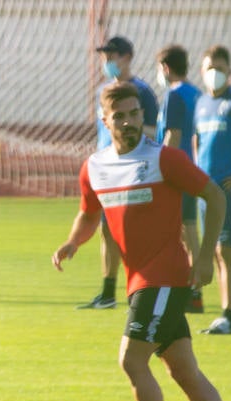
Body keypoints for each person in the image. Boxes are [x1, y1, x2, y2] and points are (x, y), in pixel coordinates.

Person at [52, 80, 231, 401]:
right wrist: (72, 242)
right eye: (119, 116)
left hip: (166, 276)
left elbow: (216, 196)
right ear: (105, 121)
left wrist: (205, 256)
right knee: (185, 372)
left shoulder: (165, 159)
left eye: (135, 114)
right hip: (141, 282)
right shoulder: (95, 167)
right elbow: (88, 213)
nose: (129, 122)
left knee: (131, 360)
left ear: (143, 116)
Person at [79, 36, 159, 310]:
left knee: (134, 232)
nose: (106, 61)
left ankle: (144, 288)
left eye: (111, 56)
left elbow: (154, 132)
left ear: (126, 57)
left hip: (134, 169)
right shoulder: (104, 90)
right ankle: (108, 292)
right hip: (107, 170)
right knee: (107, 230)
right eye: (104, 56)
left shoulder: (141, 92)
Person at [193, 45, 231, 334]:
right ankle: (225, 312)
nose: (215, 74)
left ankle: (229, 315)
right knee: (214, 250)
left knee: (226, 249)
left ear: (229, 72)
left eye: (220, 69)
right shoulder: (200, 104)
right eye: (210, 68)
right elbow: (198, 141)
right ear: (202, 70)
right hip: (205, 189)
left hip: (227, 190)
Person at [156, 44, 205, 313]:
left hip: (178, 172)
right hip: (196, 168)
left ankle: (191, 292)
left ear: (165, 68)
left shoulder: (173, 96)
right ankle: (192, 291)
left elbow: (172, 136)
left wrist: (162, 168)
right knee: (190, 231)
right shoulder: (197, 93)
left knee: (184, 233)